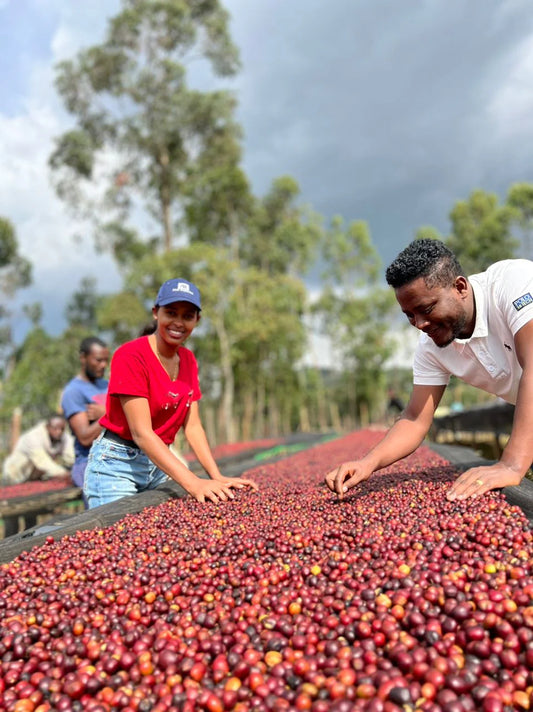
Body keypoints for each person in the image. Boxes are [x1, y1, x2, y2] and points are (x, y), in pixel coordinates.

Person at [326, 239, 533, 502]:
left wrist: (512, 465)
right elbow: (414, 419)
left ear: (459, 287)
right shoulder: (431, 347)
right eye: (409, 315)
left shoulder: (512, 284)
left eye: (426, 309)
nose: (420, 324)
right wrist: (368, 463)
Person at [83, 278, 258, 508]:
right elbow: (141, 433)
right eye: (171, 313)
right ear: (156, 313)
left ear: (197, 320)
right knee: (121, 536)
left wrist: (216, 476)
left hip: (157, 463)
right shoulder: (131, 356)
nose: (178, 322)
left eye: (187, 316)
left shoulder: (188, 361)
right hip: (117, 464)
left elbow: (193, 427)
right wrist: (194, 483)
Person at [61, 337, 110, 494]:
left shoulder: (107, 385)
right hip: (90, 463)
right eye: (98, 360)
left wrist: (105, 412)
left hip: (118, 457)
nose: (103, 365)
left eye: (105, 360)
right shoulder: (73, 392)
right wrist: (112, 412)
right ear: (83, 358)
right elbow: (85, 437)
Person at [2, 414, 74, 485]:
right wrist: (63, 473)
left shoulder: (64, 437)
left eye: (62, 429)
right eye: (55, 428)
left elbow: (71, 457)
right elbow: (42, 462)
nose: (59, 432)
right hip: (14, 476)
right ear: (47, 427)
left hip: (35, 478)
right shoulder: (33, 437)